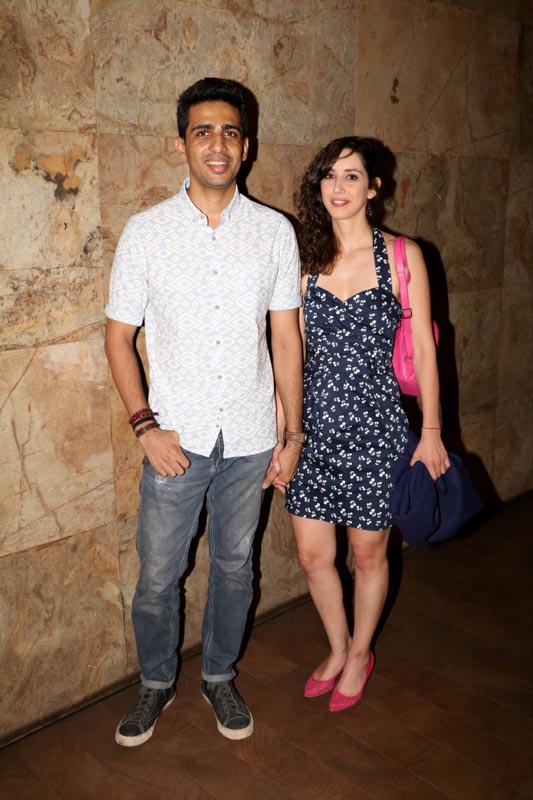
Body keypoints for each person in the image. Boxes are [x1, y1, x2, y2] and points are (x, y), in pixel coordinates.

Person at [104, 77, 304, 745]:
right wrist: (145, 428)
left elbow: (285, 338)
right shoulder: (146, 232)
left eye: (229, 132)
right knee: (158, 576)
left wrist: (291, 434)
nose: (217, 144)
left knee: (234, 568)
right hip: (176, 441)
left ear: (246, 146)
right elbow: (117, 337)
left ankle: (219, 675)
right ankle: (155, 683)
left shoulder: (274, 233)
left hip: (250, 439)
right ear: (182, 144)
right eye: (202, 131)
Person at [282, 136, 449, 711]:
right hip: (314, 432)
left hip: (376, 431)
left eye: (351, 176)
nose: (338, 187)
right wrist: (284, 435)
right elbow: (292, 353)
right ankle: (337, 646)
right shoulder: (306, 260)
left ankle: (359, 654)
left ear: (373, 188)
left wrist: (431, 433)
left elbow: (425, 351)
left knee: (369, 554)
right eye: (329, 175)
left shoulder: (402, 255)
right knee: (312, 555)